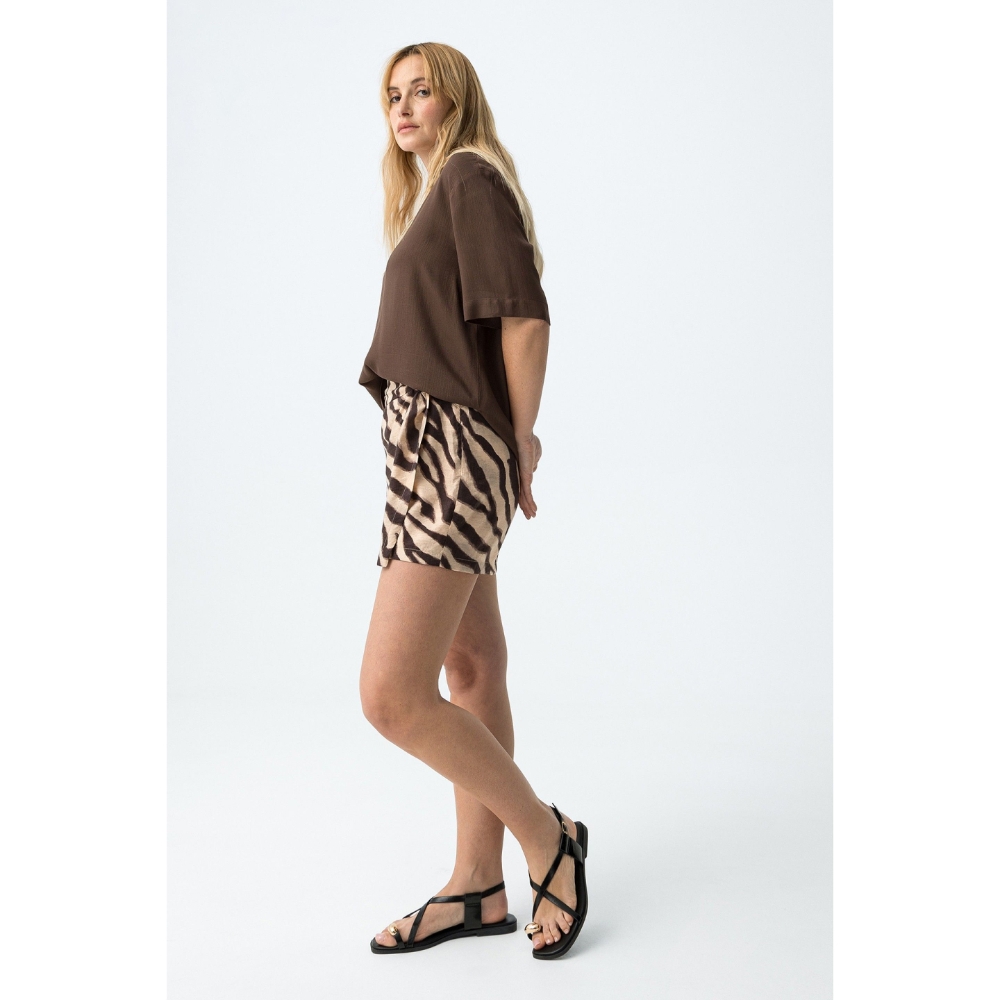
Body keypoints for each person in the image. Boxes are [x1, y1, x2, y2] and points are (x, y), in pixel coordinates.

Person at [357, 43, 589, 960]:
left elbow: (524, 318)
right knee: (471, 667)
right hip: (433, 453)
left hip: (453, 453)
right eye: (393, 94)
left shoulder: (467, 176)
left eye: (423, 90)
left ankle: (546, 838)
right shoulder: (436, 194)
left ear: (456, 98)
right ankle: (477, 887)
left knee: (390, 695)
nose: (405, 106)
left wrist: (520, 442)